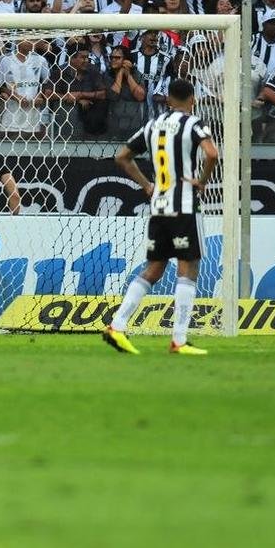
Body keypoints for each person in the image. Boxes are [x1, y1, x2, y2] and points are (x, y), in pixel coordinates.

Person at [104, 79, 219, 357]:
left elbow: (122, 157)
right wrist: (202, 181)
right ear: (192, 99)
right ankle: (178, 340)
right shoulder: (194, 123)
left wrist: (146, 185)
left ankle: (117, 326)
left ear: (168, 99)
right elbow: (212, 154)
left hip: (159, 205)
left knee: (155, 268)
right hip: (184, 204)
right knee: (188, 266)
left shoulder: (152, 125)